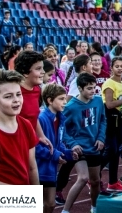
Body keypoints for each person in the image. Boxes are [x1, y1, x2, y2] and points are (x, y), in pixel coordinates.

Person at [61, 73, 106, 213]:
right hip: (79, 148)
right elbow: (63, 130)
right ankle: (65, 210)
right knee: (83, 178)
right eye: (89, 88)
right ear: (80, 89)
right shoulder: (71, 107)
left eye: (94, 87)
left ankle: (94, 208)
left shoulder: (98, 101)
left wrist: (101, 138)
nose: (93, 91)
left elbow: (103, 121)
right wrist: (73, 143)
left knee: (95, 181)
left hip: (94, 146)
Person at [37, 84, 76, 213]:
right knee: (37, 204)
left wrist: (69, 153)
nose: (65, 102)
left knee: (51, 204)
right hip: (38, 168)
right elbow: (35, 147)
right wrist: (55, 155)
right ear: (49, 100)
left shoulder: (59, 118)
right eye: (61, 99)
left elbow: (58, 144)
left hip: (50, 168)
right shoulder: (41, 119)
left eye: (65, 98)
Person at [102, 57, 122, 192]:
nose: (119, 68)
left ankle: (112, 182)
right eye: (116, 66)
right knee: (111, 150)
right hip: (110, 118)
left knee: (116, 150)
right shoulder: (109, 83)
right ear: (111, 68)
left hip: (120, 119)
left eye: (121, 66)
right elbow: (109, 104)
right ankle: (93, 174)